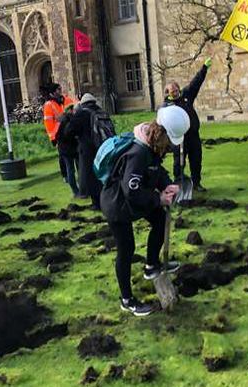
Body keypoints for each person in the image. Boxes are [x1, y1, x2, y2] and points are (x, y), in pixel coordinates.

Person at [100, 105, 189, 317]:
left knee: (159, 218)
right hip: (117, 205)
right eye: (171, 141)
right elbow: (131, 190)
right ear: (163, 133)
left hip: (134, 199)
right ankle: (127, 300)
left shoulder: (151, 144)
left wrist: (168, 184)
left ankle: (151, 265)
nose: (171, 147)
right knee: (126, 248)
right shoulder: (138, 152)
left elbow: (156, 171)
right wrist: (158, 198)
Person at [161, 58, 212, 192]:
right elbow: (162, 123)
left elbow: (195, 83)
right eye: (172, 91)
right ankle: (179, 184)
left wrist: (204, 68)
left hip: (193, 136)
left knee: (196, 160)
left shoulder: (186, 95)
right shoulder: (166, 107)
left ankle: (197, 183)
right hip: (179, 139)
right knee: (179, 163)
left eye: (176, 89)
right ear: (168, 93)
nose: (175, 92)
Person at [67, 93, 109, 209]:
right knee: (102, 175)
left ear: (83, 104)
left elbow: (69, 131)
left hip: (88, 150)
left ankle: (96, 203)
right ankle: (105, 199)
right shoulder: (101, 112)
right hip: (104, 147)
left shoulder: (81, 114)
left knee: (90, 177)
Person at [42, 83, 76, 181]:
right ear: (53, 92)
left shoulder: (66, 99)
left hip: (70, 131)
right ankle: (65, 175)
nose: (60, 91)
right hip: (58, 134)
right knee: (63, 156)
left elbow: (74, 108)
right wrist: (53, 138)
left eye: (60, 89)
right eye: (58, 89)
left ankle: (75, 174)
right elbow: (48, 123)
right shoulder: (49, 105)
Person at [55, 105, 80, 196]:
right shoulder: (71, 120)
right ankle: (79, 189)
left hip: (64, 148)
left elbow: (57, 135)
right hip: (71, 148)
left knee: (70, 169)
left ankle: (75, 190)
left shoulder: (61, 119)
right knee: (76, 168)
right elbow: (71, 133)